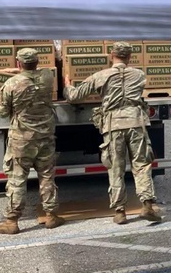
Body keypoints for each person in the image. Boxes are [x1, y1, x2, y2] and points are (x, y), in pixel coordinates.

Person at [63, 41, 162, 225]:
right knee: (141, 165)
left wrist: (67, 85)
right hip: (136, 122)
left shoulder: (101, 76)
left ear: (111, 55)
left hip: (113, 125)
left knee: (115, 167)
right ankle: (147, 205)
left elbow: (75, 97)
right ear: (130, 57)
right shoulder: (139, 75)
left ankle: (120, 211)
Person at [0, 48, 62, 234]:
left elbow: (2, 112)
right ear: (37, 62)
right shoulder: (48, 77)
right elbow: (36, 74)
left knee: (17, 179)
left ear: (18, 63)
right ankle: (51, 216)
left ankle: (12, 220)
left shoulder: (11, 84)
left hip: (22, 139)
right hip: (45, 136)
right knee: (47, 176)